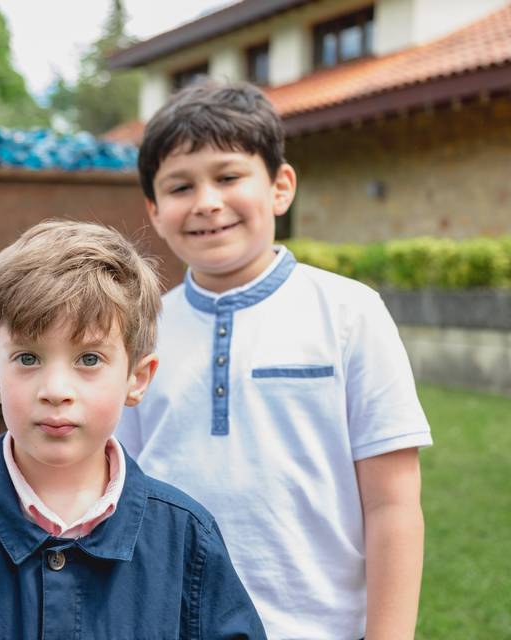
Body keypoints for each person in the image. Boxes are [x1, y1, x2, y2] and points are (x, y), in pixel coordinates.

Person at [117, 81, 433, 639]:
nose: (207, 201)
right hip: (169, 624)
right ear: (155, 211)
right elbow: (119, 496)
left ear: (281, 187)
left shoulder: (349, 313)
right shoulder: (139, 332)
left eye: (229, 176)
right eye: (180, 186)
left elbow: (393, 505)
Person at [0, 220, 266, 639]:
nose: (55, 391)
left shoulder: (186, 539)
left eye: (89, 359)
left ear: (137, 378)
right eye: (28, 359)